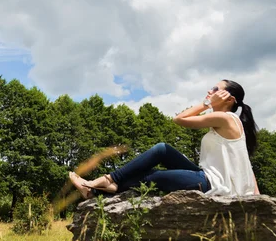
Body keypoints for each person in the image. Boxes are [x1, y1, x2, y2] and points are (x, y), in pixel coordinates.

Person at [69, 79, 260, 199]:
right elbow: (245, 163)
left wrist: (205, 104)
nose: (209, 91)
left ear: (229, 99)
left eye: (215, 89)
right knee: (162, 149)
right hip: (207, 176)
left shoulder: (226, 118)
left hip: (213, 184)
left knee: (153, 175)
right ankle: (109, 181)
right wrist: (256, 194)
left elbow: (179, 119)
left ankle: (100, 186)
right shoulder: (228, 122)